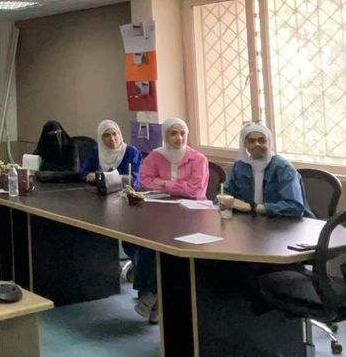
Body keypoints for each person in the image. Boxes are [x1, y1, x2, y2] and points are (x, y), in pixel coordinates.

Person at [134, 118, 209, 322]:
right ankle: (150, 293)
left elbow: (195, 191)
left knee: (173, 249)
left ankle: (153, 295)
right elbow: (144, 182)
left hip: (193, 216)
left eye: (182, 133)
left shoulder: (198, 159)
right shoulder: (155, 156)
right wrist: (177, 185)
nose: (179, 138)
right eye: (173, 133)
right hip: (161, 212)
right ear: (165, 135)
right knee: (148, 245)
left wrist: (164, 183)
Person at [221, 122, 312, 218]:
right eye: (251, 141)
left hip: (283, 222)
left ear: (269, 142)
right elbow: (225, 194)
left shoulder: (284, 168)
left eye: (261, 140)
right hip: (250, 220)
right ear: (245, 144)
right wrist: (226, 200)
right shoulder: (239, 167)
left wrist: (253, 207)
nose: (257, 144)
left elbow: (295, 207)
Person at [81, 120, 142, 185]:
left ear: (119, 134)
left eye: (114, 134)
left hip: (125, 190)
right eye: (107, 135)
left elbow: (134, 179)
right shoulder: (96, 153)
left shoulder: (131, 152)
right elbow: (85, 174)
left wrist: (100, 176)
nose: (112, 138)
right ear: (101, 139)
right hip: (100, 189)